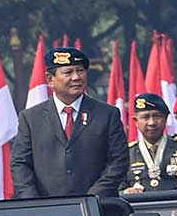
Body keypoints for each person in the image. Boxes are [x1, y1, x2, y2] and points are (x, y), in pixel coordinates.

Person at [10, 46, 128, 198]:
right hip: (47, 211)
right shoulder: (31, 118)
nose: (76, 77)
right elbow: (20, 164)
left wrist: (92, 198)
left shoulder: (107, 114)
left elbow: (118, 161)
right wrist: (34, 202)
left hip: (97, 209)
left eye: (80, 70)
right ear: (50, 79)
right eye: (68, 72)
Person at [121, 93, 177, 194]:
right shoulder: (126, 154)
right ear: (135, 121)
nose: (152, 123)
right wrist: (126, 191)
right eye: (145, 117)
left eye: (157, 116)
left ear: (166, 119)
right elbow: (117, 190)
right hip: (141, 208)